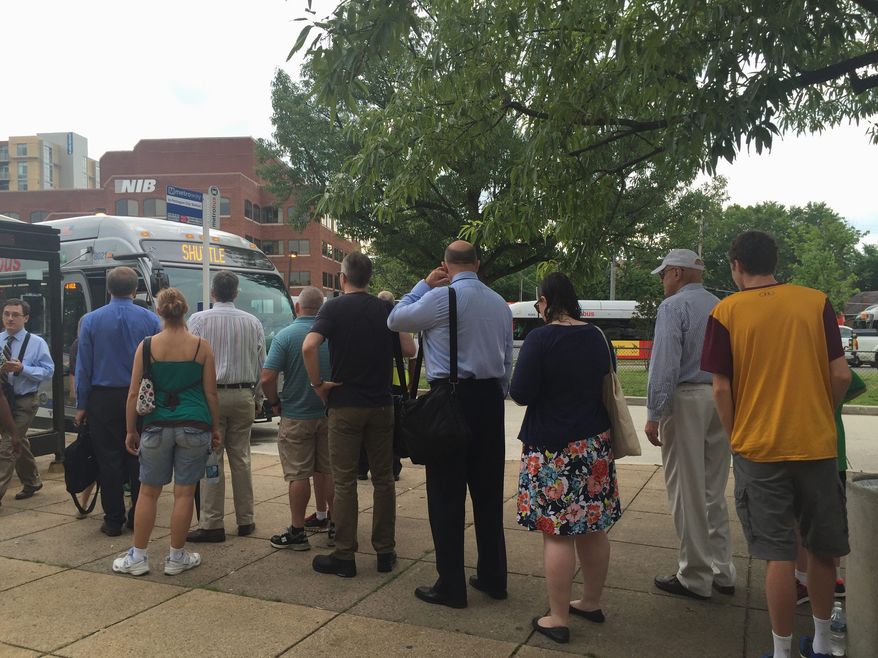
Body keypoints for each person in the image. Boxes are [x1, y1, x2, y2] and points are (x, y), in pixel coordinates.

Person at [701, 230, 851, 658]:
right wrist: (821, 412)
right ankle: (822, 644)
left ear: (736, 266)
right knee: (823, 548)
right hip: (816, 444)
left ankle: (782, 651)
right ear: (774, 261)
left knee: (777, 553)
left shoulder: (726, 312)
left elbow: (720, 390)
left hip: (758, 447)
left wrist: (736, 437)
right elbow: (840, 375)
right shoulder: (815, 302)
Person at [387, 240, 512, 609]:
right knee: (488, 494)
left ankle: (451, 585)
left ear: (446, 265)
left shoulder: (441, 298)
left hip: (450, 399)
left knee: (446, 496)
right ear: (477, 263)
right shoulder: (499, 304)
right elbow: (507, 362)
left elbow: (395, 320)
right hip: (489, 401)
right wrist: (495, 396)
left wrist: (424, 284)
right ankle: (493, 577)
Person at [509, 272, 621, 644]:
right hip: (594, 445)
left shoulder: (540, 338)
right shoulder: (598, 337)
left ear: (544, 301)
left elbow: (521, 393)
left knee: (557, 534)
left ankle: (557, 617)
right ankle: (590, 601)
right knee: (592, 526)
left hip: (551, 449)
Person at [302, 252, 415, 578]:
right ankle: (384, 551)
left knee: (345, 480)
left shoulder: (333, 308)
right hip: (381, 405)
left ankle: (345, 555)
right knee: (383, 480)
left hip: (345, 405)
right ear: (369, 278)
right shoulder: (385, 309)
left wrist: (318, 385)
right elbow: (408, 350)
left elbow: (309, 346)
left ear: (343, 278)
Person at [644, 249, 736, 600]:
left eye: (664, 274)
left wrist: (655, 413)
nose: (662, 281)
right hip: (721, 396)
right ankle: (722, 569)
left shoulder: (673, 308)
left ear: (678, 273)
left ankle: (694, 575)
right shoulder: (722, 305)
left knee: (685, 490)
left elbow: (665, 364)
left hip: (687, 398)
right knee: (713, 488)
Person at [112, 288, 221, 576]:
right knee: (185, 493)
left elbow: (133, 393)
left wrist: (130, 429)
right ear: (184, 311)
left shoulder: (146, 347)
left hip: (157, 425)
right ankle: (176, 557)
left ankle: (138, 557)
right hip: (195, 423)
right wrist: (215, 426)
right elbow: (211, 393)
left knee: (148, 493)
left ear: (158, 311)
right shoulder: (202, 347)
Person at [75, 267, 162, 535]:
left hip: (103, 397)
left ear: (109, 290)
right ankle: (138, 515)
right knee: (139, 456)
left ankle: (113, 519)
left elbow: (84, 367)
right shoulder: (151, 320)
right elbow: (158, 362)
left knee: (108, 459)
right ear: (135, 290)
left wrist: (81, 404)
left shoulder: (90, 321)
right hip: (141, 396)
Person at [186, 271, 265, 543]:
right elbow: (260, 363)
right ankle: (246, 519)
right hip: (243, 393)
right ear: (236, 292)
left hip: (211, 396)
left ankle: (212, 522)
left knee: (212, 458)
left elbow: (190, 361)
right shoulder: (252, 322)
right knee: (241, 458)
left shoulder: (197, 321)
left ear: (212, 293)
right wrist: (258, 398)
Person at [261, 286, 334, 551]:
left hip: (296, 414)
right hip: (328, 413)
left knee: (298, 474)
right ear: (322, 307)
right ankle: (336, 526)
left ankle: (297, 532)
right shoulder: (330, 336)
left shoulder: (286, 336)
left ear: (297, 307)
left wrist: (274, 402)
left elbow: (267, 377)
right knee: (329, 470)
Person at [795, 368, 866, 605]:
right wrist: (833, 404)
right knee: (831, 521)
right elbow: (853, 382)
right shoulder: (831, 361)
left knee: (800, 521)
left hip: (807, 449)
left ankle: (803, 579)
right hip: (835, 450)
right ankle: (834, 578)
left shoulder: (805, 361)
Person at [0, 298, 55, 503]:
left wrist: (23, 369)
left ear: (26, 318)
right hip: (3, 399)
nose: (10, 319)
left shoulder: (36, 342)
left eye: (15, 315)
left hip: (24, 401)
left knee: (6, 446)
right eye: (6, 314)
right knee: (18, 441)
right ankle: (32, 481)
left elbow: (49, 371)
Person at [358, 290, 406, 482]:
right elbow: (410, 351)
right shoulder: (398, 324)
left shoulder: (366, 324)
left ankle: (361, 467)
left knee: (364, 429)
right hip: (394, 383)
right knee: (391, 430)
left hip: (370, 382)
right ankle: (392, 467)